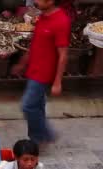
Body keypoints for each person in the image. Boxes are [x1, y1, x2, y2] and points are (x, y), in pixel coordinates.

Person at [11, 0, 70, 145]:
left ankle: (42, 136)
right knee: (37, 105)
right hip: (34, 69)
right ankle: (40, 137)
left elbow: (63, 55)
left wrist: (57, 82)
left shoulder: (61, 21)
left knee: (28, 105)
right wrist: (22, 63)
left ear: (51, 1)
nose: (36, 1)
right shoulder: (43, 16)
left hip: (44, 73)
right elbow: (35, 43)